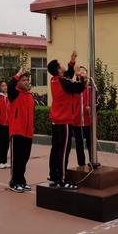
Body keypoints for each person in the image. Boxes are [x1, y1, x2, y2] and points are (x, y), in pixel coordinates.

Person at [47, 51, 85, 189]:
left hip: (56, 120)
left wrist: (72, 61)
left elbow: (67, 76)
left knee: (55, 149)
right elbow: (79, 88)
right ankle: (62, 180)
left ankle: (53, 176)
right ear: (58, 70)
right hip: (64, 121)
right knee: (63, 151)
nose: (63, 66)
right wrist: (81, 75)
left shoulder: (55, 80)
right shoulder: (62, 81)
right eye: (61, 65)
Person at [7, 68, 34, 193]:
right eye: (23, 80)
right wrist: (17, 75)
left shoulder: (29, 95)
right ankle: (14, 182)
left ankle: (21, 181)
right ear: (18, 82)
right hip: (17, 131)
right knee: (17, 158)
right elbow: (10, 85)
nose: (26, 82)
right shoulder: (14, 94)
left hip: (28, 132)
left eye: (27, 80)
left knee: (24, 158)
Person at [72, 66, 92, 168]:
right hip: (77, 121)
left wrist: (92, 108)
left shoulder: (91, 88)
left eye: (84, 71)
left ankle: (92, 162)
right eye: (81, 71)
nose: (82, 73)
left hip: (89, 121)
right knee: (79, 145)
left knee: (90, 144)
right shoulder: (74, 88)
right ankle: (81, 164)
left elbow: (98, 103)